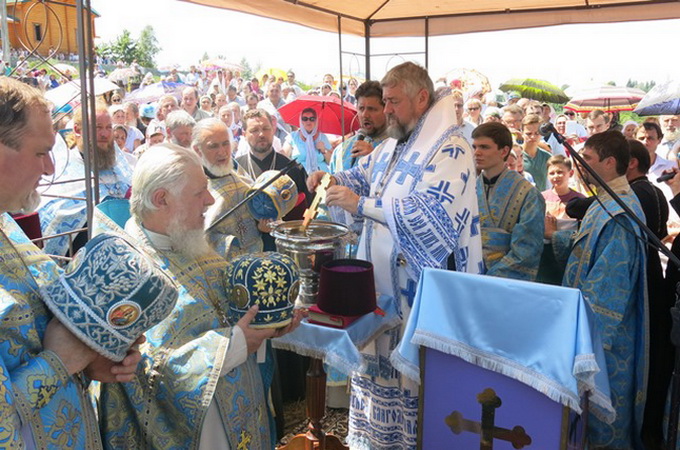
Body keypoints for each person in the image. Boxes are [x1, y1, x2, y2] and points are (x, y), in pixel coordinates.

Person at [307, 62, 483, 449]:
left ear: (422, 98)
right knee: (374, 380)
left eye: (393, 102)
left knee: (416, 393)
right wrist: (331, 180)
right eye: (383, 102)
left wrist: (361, 205)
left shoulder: (450, 148)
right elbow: (362, 176)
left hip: (420, 297)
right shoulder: (394, 144)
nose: (386, 111)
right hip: (380, 294)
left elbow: (433, 218)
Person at [95, 143, 299, 448]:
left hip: (241, 414)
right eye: (198, 192)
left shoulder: (194, 245)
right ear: (160, 199)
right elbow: (144, 372)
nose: (210, 199)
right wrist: (237, 343)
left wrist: (269, 326)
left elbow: (235, 317)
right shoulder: (123, 273)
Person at [0, 76, 140, 448]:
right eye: (40, 152)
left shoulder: (8, 227)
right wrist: (59, 362)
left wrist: (94, 358)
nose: (49, 169)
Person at [547, 130, 647, 449]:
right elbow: (585, 245)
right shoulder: (606, 199)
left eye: (586, 159)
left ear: (609, 162)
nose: (580, 166)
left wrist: (577, 336)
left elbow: (607, 290)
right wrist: (552, 237)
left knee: (604, 423)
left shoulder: (620, 212)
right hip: (589, 333)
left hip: (605, 342)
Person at [39, 104, 134, 256]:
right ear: (78, 130)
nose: (105, 134)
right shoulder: (65, 170)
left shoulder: (121, 167)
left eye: (109, 127)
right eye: (97, 127)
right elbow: (56, 216)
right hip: (82, 251)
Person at [625, 140, 671, 450]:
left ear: (629, 163)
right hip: (654, 274)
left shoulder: (636, 192)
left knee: (649, 354)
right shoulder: (653, 191)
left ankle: (646, 427)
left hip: (641, 276)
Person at [473, 122, 545, 280]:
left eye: (484, 147)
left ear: (504, 151)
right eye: (475, 147)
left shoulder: (528, 194)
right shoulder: (468, 189)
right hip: (467, 276)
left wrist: (489, 279)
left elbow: (527, 250)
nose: (477, 152)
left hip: (503, 282)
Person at [236, 109, 310, 249]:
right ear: (244, 134)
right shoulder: (236, 169)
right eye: (254, 130)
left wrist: (283, 226)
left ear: (273, 130)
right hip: (247, 247)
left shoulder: (293, 169)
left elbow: (305, 214)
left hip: (285, 246)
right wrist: (257, 227)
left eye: (266, 128)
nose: (261, 134)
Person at [192, 118, 263, 259]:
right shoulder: (193, 185)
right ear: (197, 150)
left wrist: (263, 225)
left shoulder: (240, 175)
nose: (222, 152)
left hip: (258, 258)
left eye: (225, 144)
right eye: (213, 146)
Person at [330, 80, 389, 173]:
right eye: (361, 109)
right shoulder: (341, 150)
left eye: (372, 109)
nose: (365, 115)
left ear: (386, 110)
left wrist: (374, 158)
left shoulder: (398, 147)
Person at [283, 108, 333, 173]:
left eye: (312, 119)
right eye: (305, 119)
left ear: (316, 121)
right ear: (301, 121)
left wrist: (324, 150)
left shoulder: (322, 137)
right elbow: (284, 158)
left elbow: (331, 162)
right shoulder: (292, 137)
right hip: (300, 176)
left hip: (321, 176)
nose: (308, 121)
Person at [521, 114, 552, 190]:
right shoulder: (516, 155)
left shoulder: (547, 157)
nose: (533, 137)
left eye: (536, 133)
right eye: (528, 134)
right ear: (522, 133)